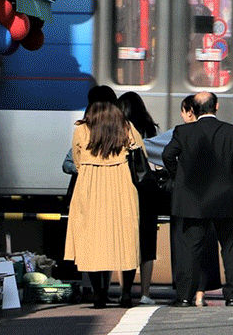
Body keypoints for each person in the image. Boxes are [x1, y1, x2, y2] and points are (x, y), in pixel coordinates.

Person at [163, 91, 233, 307]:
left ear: (192, 110)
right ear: (217, 106)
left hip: (193, 200)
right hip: (225, 198)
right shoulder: (231, 132)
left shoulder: (183, 132)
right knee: (229, 248)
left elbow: (167, 155)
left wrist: (179, 175)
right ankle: (231, 296)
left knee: (190, 250)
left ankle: (185, 296)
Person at [64, 100, 144, 308]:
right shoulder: (126, 126)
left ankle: (99, 294)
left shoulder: (82, 128)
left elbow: (76, 158)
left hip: (89, 185)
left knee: (91, 239)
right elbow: (140, 152)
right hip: (122, 185)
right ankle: (125, 294)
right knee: (125, 239)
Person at [119, 92, 163, 306]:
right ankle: (145, 292)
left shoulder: (119, 130)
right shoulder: (150, 129)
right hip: (146, 190)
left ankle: (124, 291)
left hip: (124, 191)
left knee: (125, 242)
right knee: (147, 244)